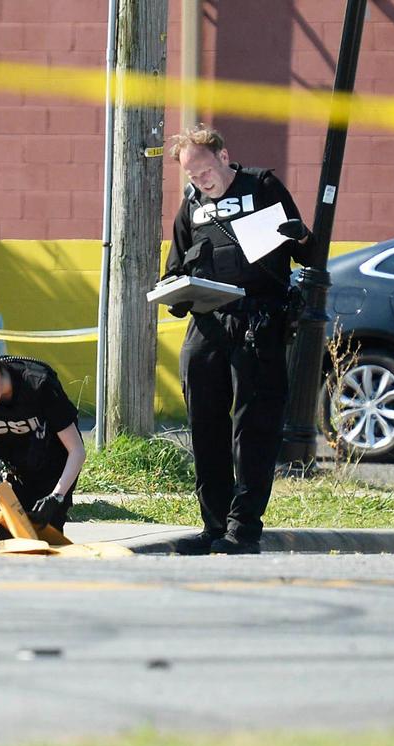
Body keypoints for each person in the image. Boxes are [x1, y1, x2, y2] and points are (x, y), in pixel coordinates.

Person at [164, 125, 315, 555]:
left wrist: (300, 235)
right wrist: (173, 292)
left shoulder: (262, 186)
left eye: (205, 170)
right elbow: (176, 266)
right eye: (192, 176)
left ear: (224, 156)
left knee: (253, 427)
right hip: (208, 322)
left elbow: (305, 249)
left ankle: (242, 528)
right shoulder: (191, 205)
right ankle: (213, 525)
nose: (201, 180)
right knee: (204, 423)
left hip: (258, 320)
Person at [0, 336, 85, 539]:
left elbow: (76, 451)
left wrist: (57, 497)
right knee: (7, 539)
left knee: (46, 538)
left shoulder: (38, 385)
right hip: (14, 473)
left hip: (55, 471)